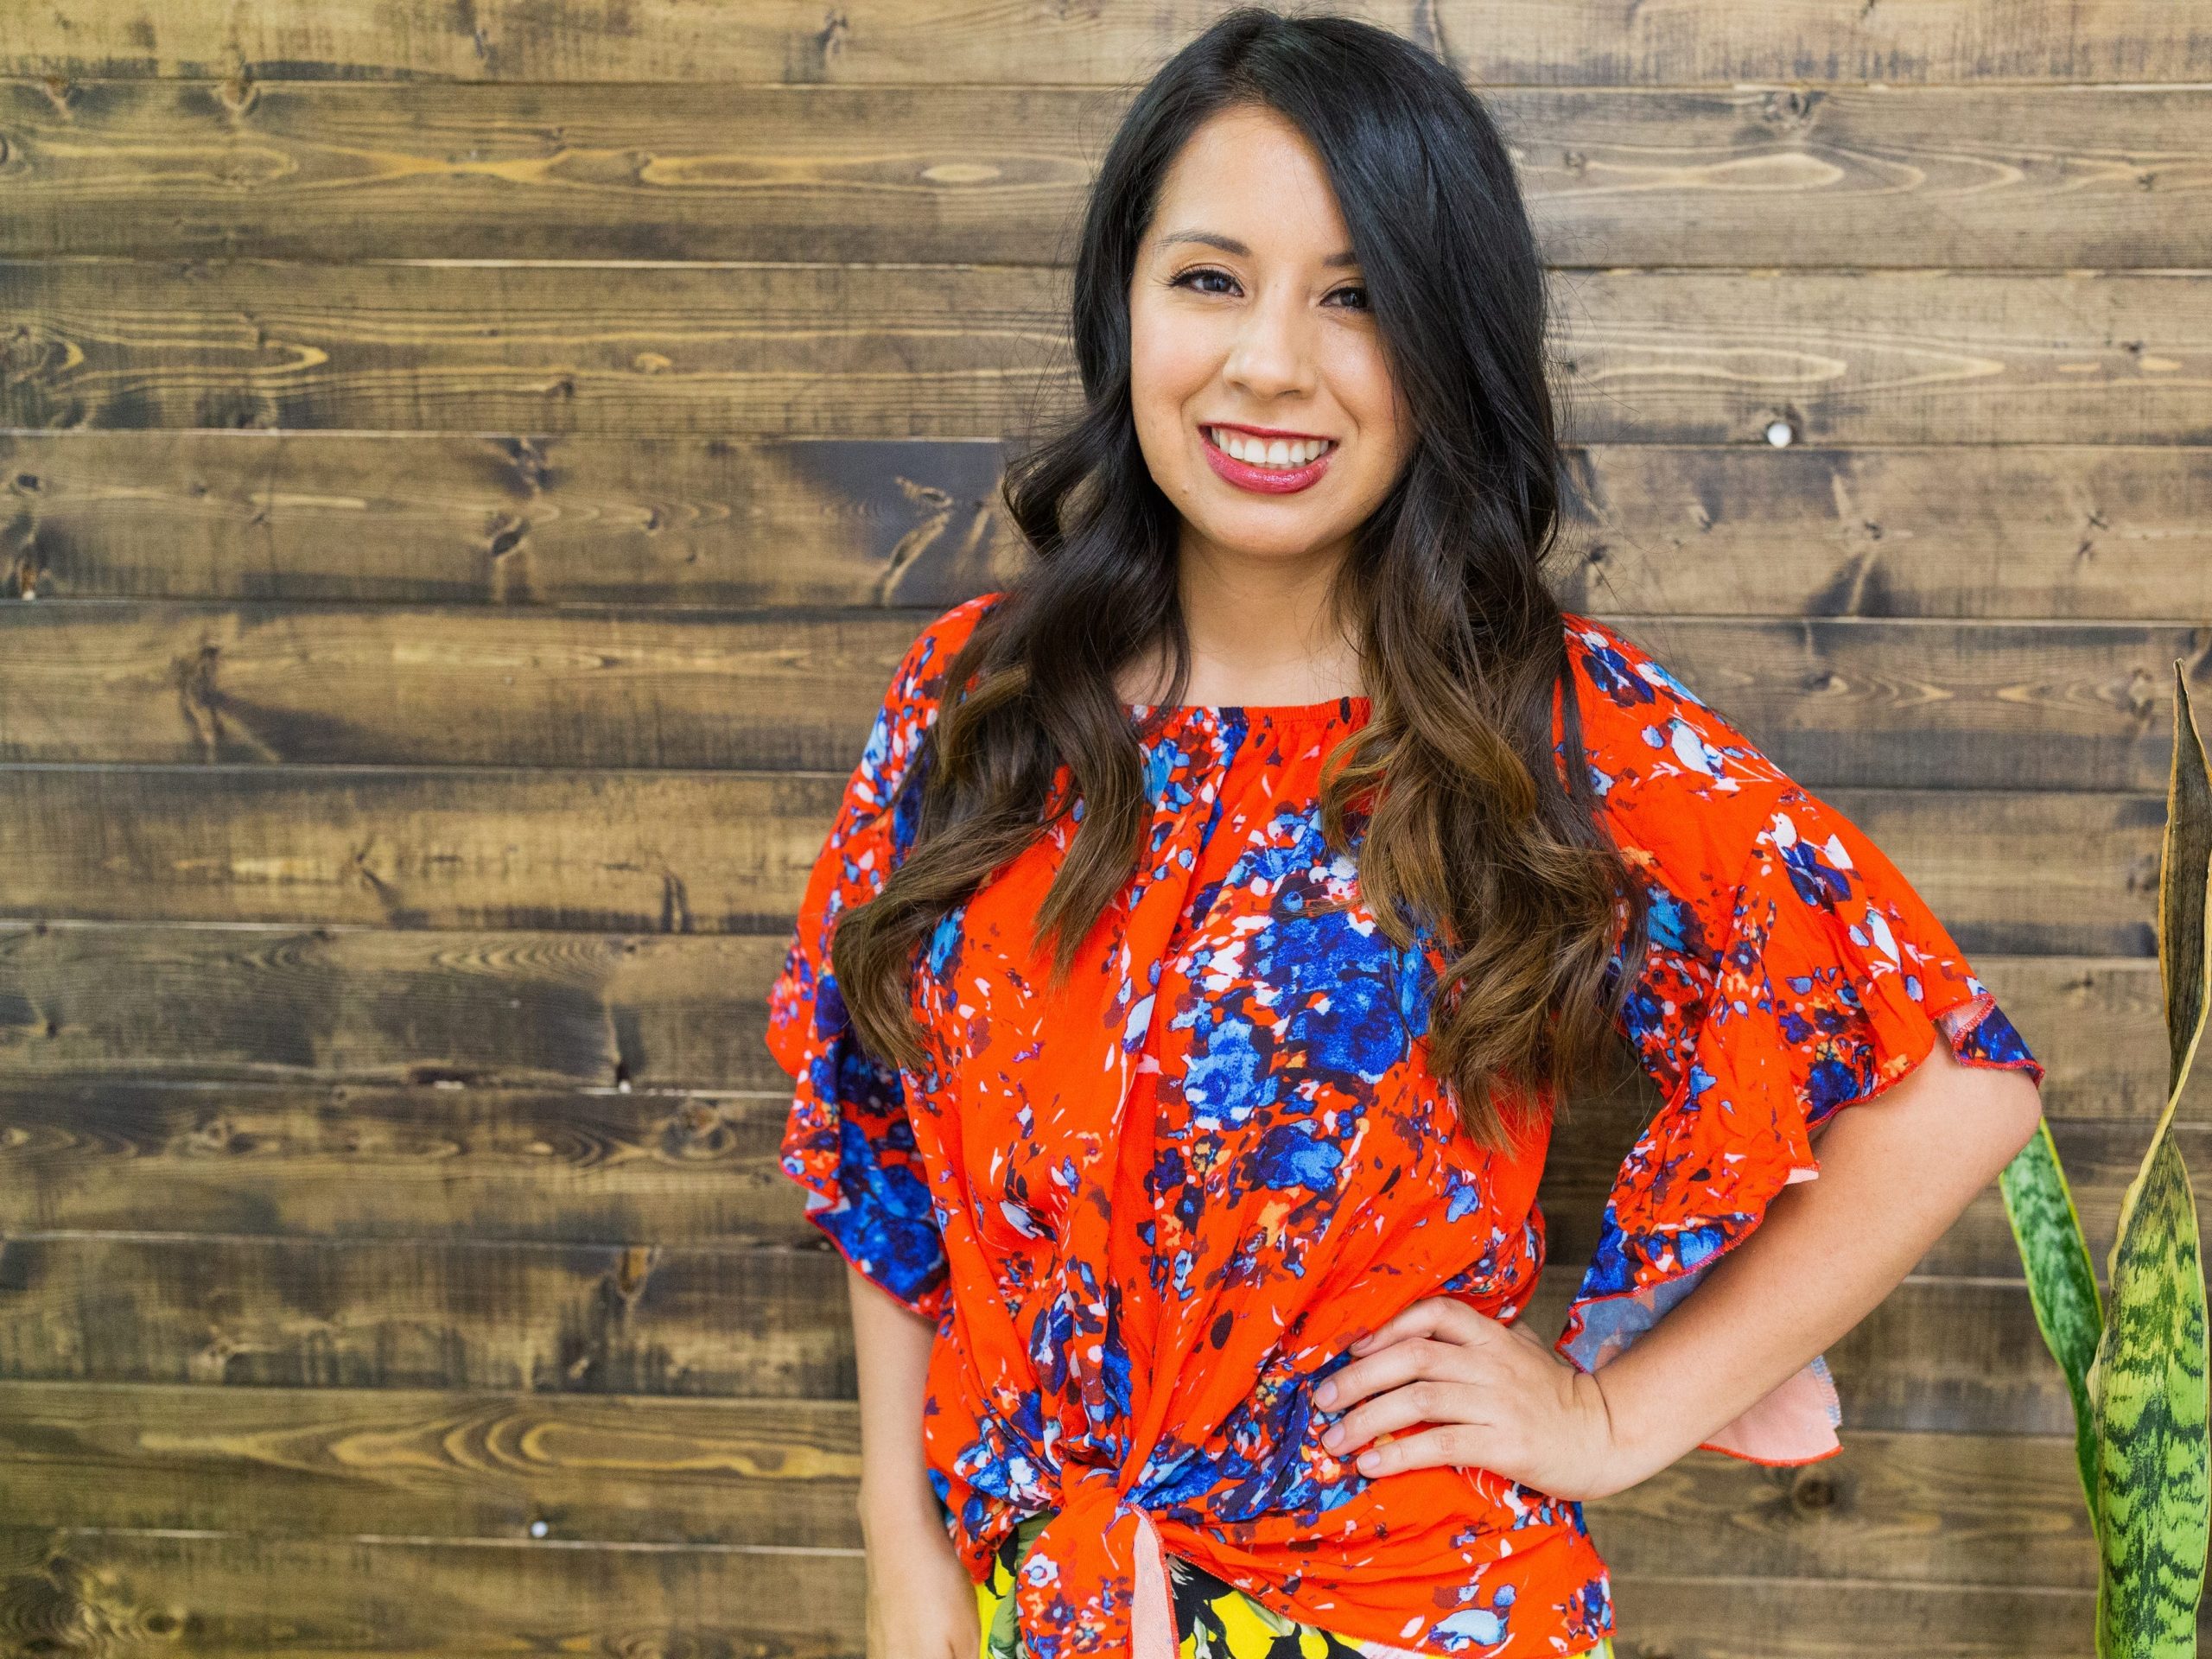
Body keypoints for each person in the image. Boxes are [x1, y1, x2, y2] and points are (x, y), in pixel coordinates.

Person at [766, 10, 2049, 1658]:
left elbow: (1959, 1081)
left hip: (1405, 1612)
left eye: (1357, 298)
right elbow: (882, 1151)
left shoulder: (1550, 726)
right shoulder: (974, 700)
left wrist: (1611, 1419)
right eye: (1210, 279)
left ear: (1445, 349)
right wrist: (902, 1548)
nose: (1271, 364)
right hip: (1037, 1602)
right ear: (1124, 304)